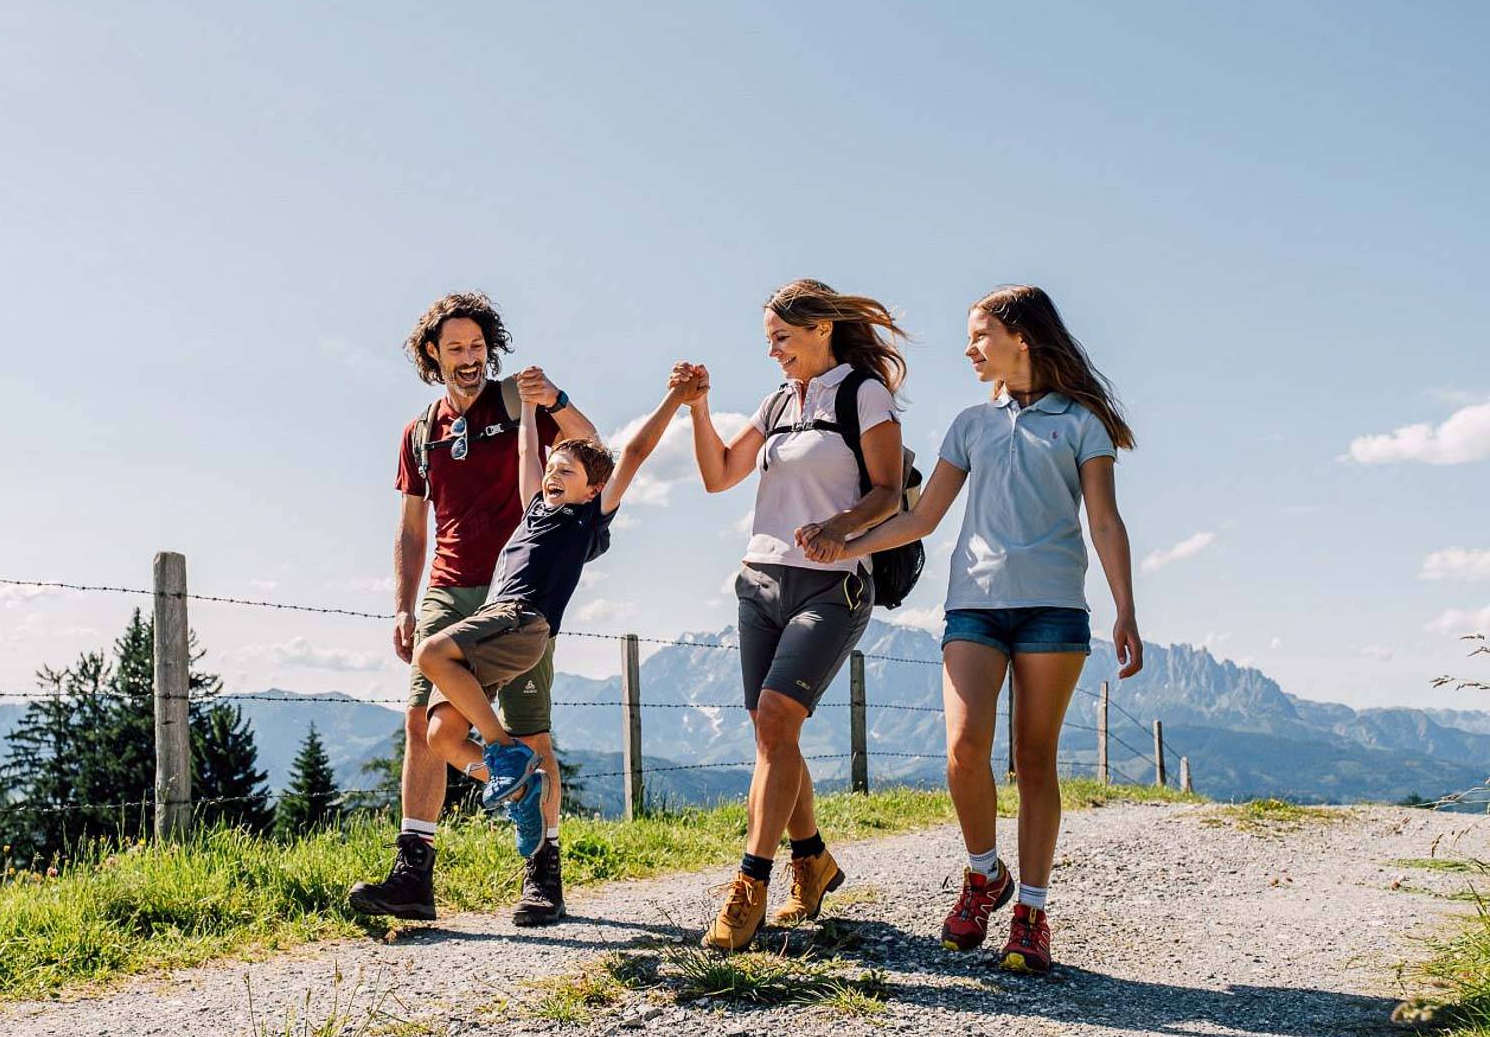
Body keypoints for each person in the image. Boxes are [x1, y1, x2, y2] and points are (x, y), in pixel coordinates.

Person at [811, 284, 1140, 974]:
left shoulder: (1081, 423)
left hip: (1054, 609)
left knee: (1037, 758)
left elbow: (1105, 521)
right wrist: (848, 545)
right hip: (974, 605)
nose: (969, 348)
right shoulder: (969, 424)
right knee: (963, 749)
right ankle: (984, 875)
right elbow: (922, 517)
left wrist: (1125, 610)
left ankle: (1032, 913)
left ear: (1021, 336)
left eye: (980, 335)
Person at [348, 291, 597, 928]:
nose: (470, 359)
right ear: (432, 354)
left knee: (531, 729)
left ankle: (542, 872)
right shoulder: (419, 434)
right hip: (446, 588)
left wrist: (557, 401)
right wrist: (404, 606)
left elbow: (593, 453)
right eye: (456, 348)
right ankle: (413, 874)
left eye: (479, 348)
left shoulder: (518, 402)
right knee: (422, 726)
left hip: (517, 591)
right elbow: (410, 530)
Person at [675, 279, 909, 951]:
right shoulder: (776, 401)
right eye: (769, 340)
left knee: (777, 720)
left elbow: (889, 493)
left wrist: (841, 525)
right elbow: (720, 475)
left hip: (832, 584)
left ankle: (750, 884)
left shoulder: (863, 395)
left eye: (782, 337)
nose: (773, 351)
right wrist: (700, 409)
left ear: (821, 328)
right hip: (760, 580)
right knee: (772, 735)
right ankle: (813, 859)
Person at [414, 378, 692, 857]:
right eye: (554, 467)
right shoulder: (535, 511)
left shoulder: (586, 517)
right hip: (499, 625)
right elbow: (528, 459)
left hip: (523, 622)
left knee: (431, 653)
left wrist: (675, 397)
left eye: (568, 470)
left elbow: (636, 452)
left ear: (593, 489)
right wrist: (525, 407)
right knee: (441, 735)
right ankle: (523, 792)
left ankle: (505, 752)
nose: (553, 474)